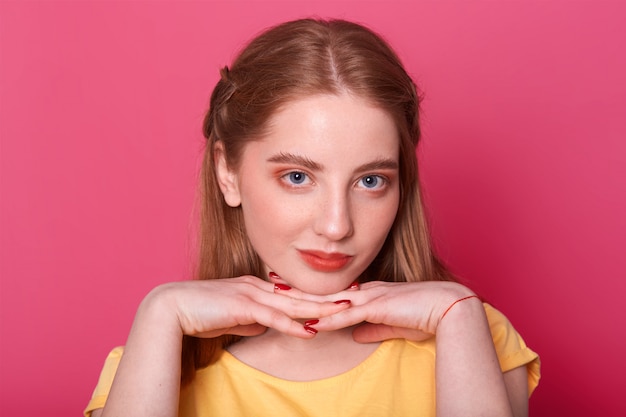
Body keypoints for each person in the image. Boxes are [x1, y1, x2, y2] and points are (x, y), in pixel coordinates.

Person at [84, 18, 540, 417]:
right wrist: (160, 312)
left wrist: (459, 320)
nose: (337, 226)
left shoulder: (474, 337)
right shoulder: (152, 360)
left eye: (370, 181)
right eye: (298, 176)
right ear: (228, 173)